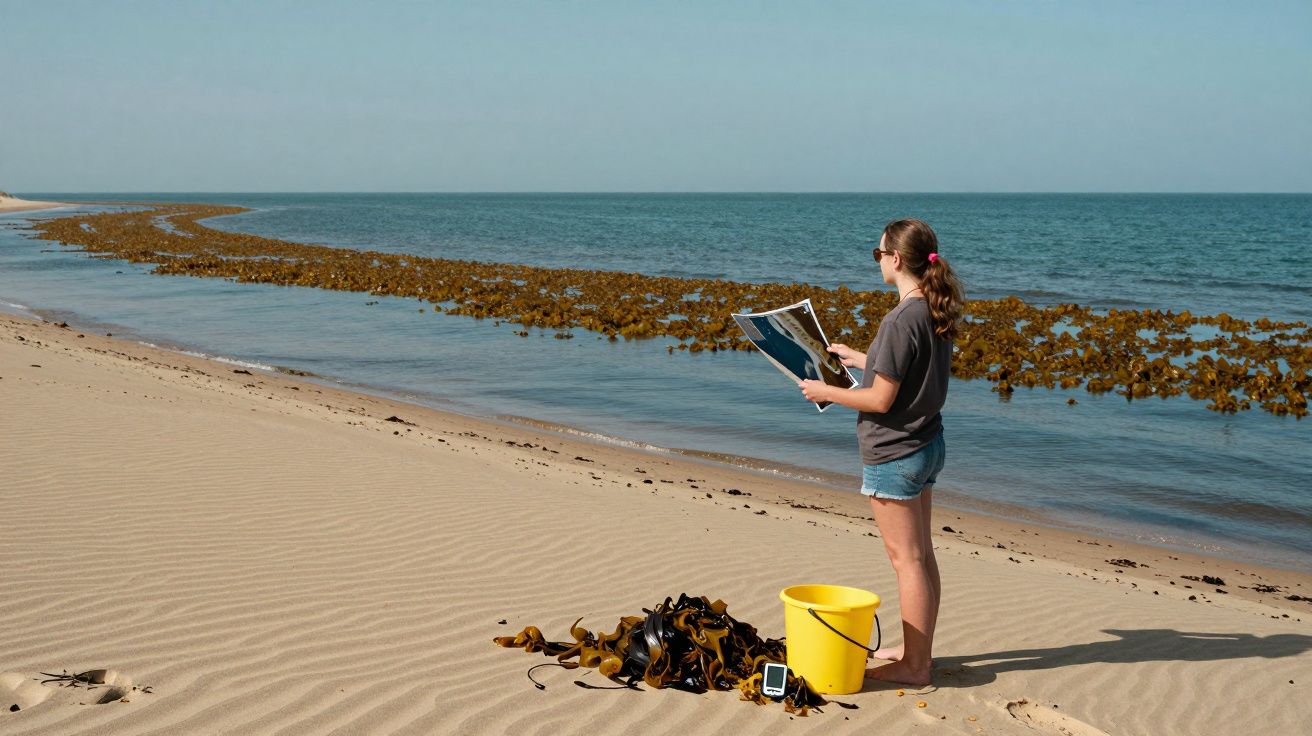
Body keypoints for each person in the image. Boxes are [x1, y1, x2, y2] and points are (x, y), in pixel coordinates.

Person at [798, 218, 964, 687]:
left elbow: (880, 399)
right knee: (921, 556)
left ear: (895, 259)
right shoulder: (932, 308)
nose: (877, 262)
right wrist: (859, 359)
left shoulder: (899, 320)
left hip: (896, 453)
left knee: (907, 561)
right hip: (927, 444)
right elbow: (909, 371)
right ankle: (917, 653)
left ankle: (915, 667)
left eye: (878, 254)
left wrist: (826, 392)